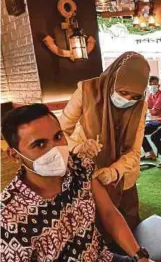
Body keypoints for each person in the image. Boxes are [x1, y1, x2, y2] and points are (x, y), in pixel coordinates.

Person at [0, 104, 153, 262]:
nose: (56, 149)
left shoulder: (80, 167)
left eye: (58, 137)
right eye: (40, 144)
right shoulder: (8, 219)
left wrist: (140, 256)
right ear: (14, 155)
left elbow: (109, 212)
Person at [59, 52, 149, 230]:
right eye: (123, 93)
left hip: (124, 178)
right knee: (94, 228)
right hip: (88, 174)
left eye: (134, 97)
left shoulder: (140, 105)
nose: (127, 100)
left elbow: (134, 150)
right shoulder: (87, 91)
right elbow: (59, 132)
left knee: (129, 225)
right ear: (113, 79)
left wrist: (114, 172)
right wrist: (79, 147)